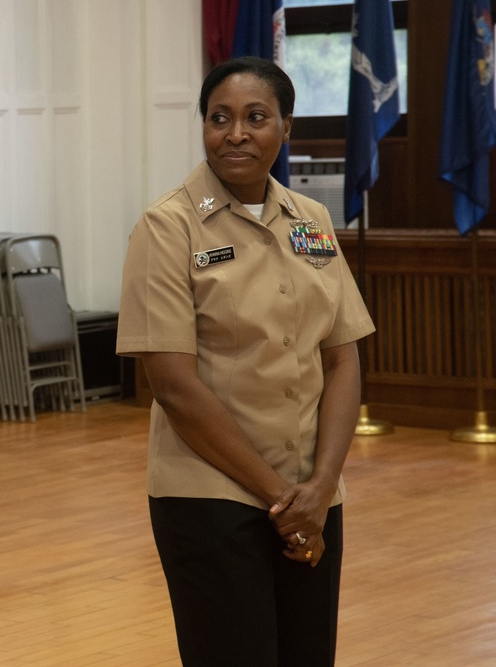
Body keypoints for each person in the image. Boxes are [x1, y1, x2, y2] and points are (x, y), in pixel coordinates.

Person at [116, 56, 375, 666]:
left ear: (287, 126)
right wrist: (283, 499)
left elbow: (342, 361)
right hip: (212, 495)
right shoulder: (167, 227)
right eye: (219, 118)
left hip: (312, 496)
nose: (235, 133)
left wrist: (320, 489)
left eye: (255, 117)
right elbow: (173, 385)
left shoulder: (310, 221)